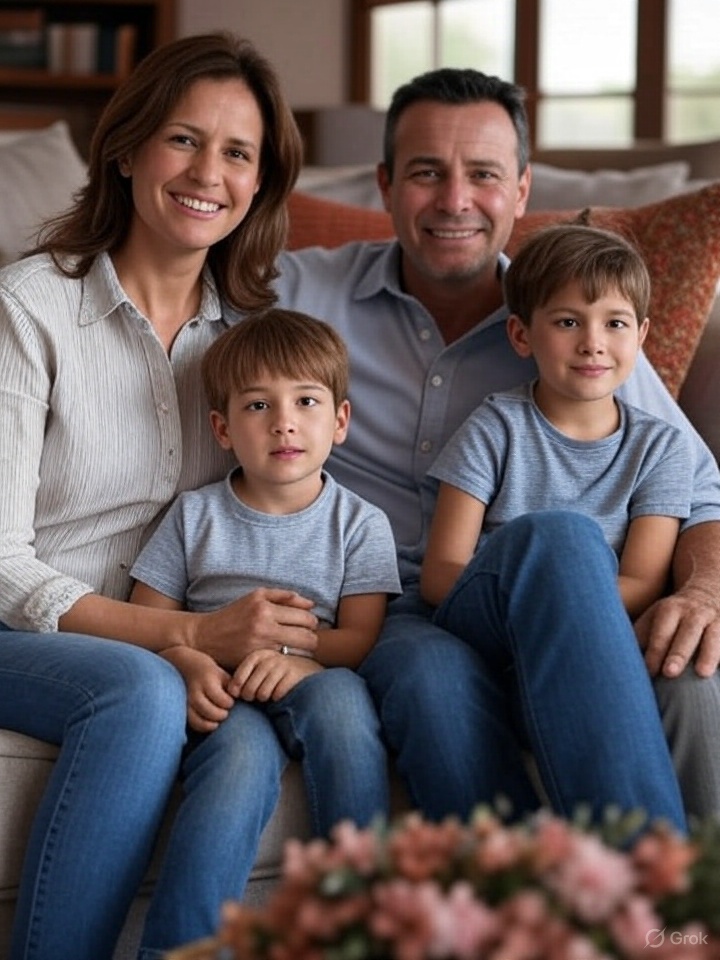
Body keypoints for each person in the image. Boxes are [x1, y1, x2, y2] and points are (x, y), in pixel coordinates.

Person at [0, 32, 386, 960]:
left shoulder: (255, 342)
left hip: (197, 639)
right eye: (182, 139)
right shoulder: (28, 308)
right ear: (127, 150)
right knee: (136, 691)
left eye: (238, 152)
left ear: (259, 183)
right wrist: (183, 638)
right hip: (31, 630)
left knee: (236, 731)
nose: (207, 171)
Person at [269, 66, 720, 825]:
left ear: (519, 190)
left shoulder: (573, 325)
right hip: (386, 611)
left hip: (545, 602)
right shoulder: (297, 292)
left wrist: (703, 591)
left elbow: (701, 493)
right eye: (425, 173)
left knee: (677, 662)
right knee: (428, 679)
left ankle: (664, 917)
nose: (454, 201)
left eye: (482, 174)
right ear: (383, 184)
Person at [129, 307, 399, 825]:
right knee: (238, 761)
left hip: (312, 675)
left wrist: (295, 657)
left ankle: (361, 894)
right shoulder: (193, 515)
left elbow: (361, 637)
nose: (284, 423)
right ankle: (196, 910)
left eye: (306, 401)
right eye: (257, 405)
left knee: (344, 710)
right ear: (223, 428)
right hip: (218, 686)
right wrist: (184, 664)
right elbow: (149, 621)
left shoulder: (361, 523)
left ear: (340, 421)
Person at [421, 222, 690, 632]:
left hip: (592, 625)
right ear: (521, 334)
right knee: (561, 534)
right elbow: (441, 573)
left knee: (571, 538)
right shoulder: (494, 428)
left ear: (641, 336)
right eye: (568, 322)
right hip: (491, 621)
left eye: (615, 323)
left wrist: (560, 607)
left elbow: (642, 583)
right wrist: (535, 607)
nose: (593, 343)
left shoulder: (662, 449)